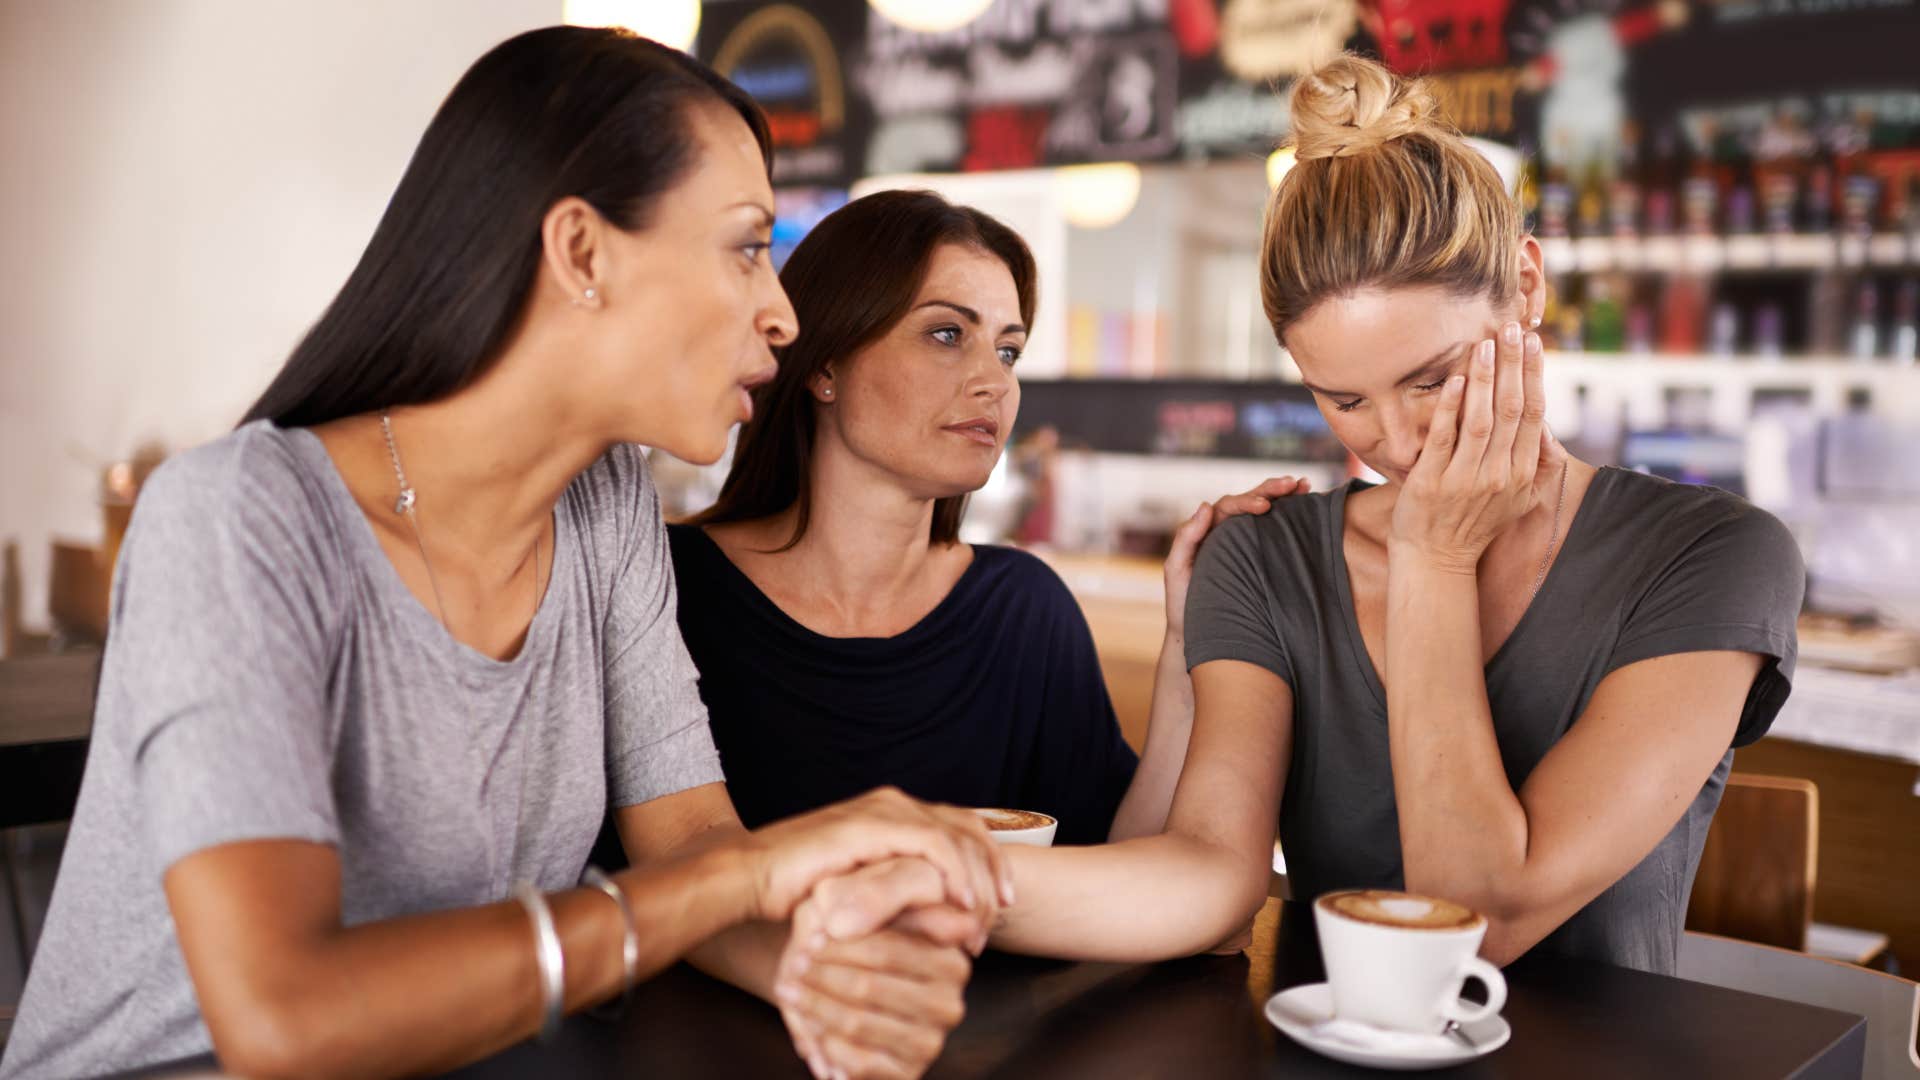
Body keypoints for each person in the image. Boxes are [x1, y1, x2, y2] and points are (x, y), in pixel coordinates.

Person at [0, 28, 1008, 1080]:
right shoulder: (236, 519)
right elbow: (283, 1020)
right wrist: (752, 877)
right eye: (748, 247)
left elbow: (691, 846)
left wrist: (823, 967)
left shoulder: (608, 508)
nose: (784, 314)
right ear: (581, 252)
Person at [786, 54, 1803, 982]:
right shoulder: (1265, 558)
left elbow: (1478, 919)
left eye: (1434, 378)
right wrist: (915, 881)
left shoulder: (1712, 555)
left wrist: (1434, 560)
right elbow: (1208, 870)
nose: (1396, 442)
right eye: (1345, 400)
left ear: (1526, 287)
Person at [667, 188, 1306, 845]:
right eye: (948, 334)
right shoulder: (669, 592)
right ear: (825, 361)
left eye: (1008, 351)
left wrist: (1186, 643)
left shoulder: (1022, 611)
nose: (995, 382)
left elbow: (1120, 862)